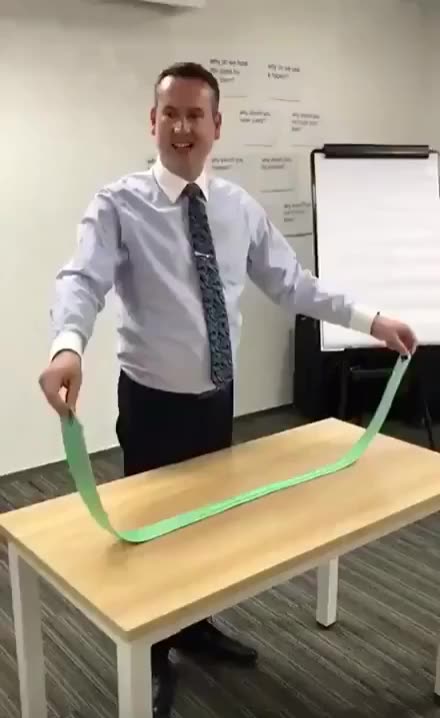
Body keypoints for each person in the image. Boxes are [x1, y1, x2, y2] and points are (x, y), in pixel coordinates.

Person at [39, 61, 417, 717]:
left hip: (217, 400)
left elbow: (293, 283)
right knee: (150, 538)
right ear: (153, 122)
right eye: (171, 113)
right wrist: (67, 344)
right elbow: (82, 279)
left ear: (217, 124)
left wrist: (371, 320)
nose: (183, 127)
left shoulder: (239, 208)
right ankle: (153, 655)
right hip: (153, 405)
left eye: (196, 114)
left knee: (211, 528)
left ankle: (195, 628)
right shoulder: (118, 205)